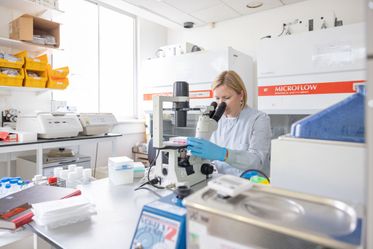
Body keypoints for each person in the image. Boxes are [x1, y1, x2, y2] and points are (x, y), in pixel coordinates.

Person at [187, 70, 272, 176]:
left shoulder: (259, 119)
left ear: (241, 95)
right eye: (217, 98)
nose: (221, 104)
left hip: (251, 184)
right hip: (222, 181)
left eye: (226, 98)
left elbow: (257, 161)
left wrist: (224, 154)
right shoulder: (215, 121)